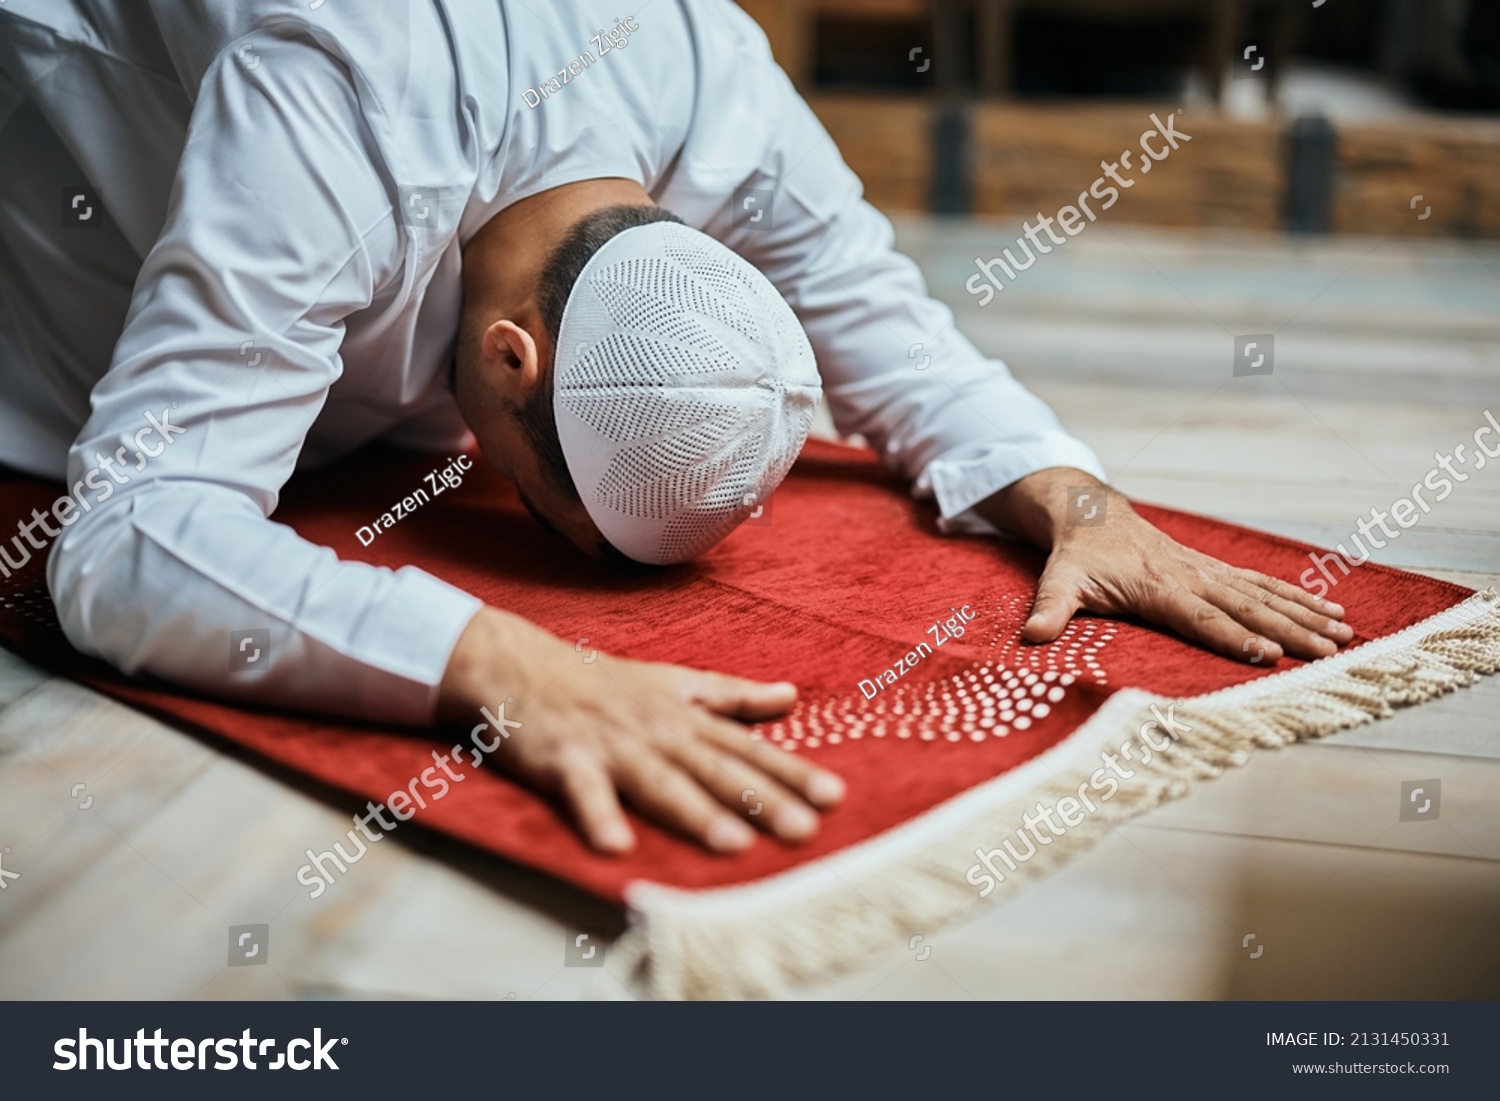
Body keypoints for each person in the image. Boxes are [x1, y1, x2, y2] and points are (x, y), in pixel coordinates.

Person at [0, 0, 1351, 856]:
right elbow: (127, 539)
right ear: (507, 359)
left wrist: (1079, 500)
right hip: (54, 242)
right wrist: (492, 659)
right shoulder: (336, 104)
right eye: (545, 509)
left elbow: (886, 324)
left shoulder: (708, 74)